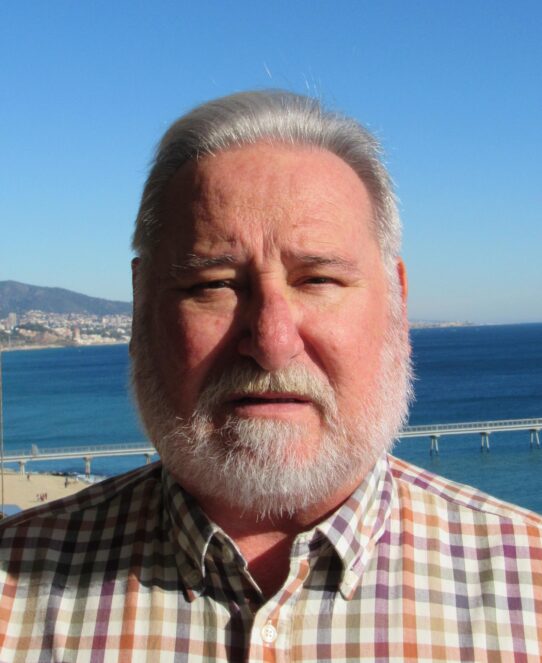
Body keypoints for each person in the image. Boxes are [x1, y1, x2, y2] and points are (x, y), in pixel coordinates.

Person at [1, 91, 540, 662]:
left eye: (318, 280)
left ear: (397, 305)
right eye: (214, 285)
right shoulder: (13, 593)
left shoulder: (528, 587)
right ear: (141, 307)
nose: (273, 343)